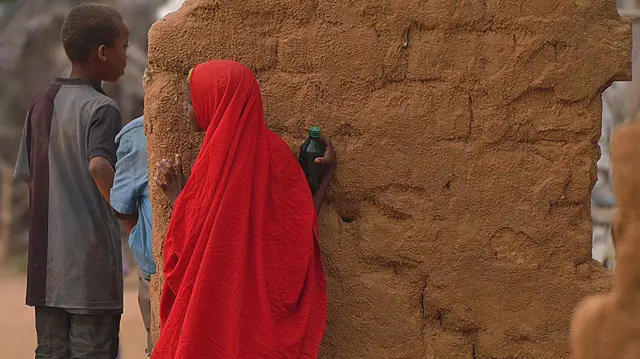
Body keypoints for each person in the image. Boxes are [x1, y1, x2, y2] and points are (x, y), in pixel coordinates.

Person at [151, 60, 337, 358]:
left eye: (191, 100)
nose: (186, 108)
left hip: (212, 324)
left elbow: (189, 252)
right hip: (259, 331)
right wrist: (324, 181)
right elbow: (296, 239)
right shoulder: (274, 155)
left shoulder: (213, 164)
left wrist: (178, 197)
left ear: (216, 101)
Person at [13, 4, 129, 358]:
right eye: (124, 46)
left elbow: (28, 173)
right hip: (90, 275)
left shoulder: (42, 100)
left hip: (46, 273)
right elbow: (98, 166)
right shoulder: (101, 108)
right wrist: (126, 216)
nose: (127, 55)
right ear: (102, 53)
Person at [110, 115, 156, 357]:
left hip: (157, 271)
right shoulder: (138, 132)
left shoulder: (137, 134)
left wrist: (141, 236)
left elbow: (121, 207)